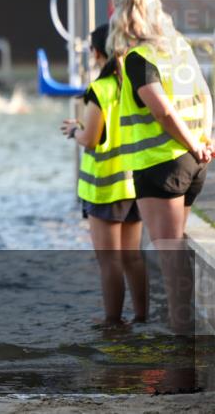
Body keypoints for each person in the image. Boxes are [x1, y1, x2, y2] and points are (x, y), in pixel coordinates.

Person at [109, 0, 213, 332]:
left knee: (170, 257)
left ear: (124, 16)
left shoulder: (138, 57)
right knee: (176, 247)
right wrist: (204, 141)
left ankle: (181, 344)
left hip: (160, 165)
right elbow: (205, 94)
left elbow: (163, 111)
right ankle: (184, 334)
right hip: (193, 163)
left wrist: (194, 144)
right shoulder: (178, 47)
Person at [60, 24, 147, 325]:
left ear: (97, 53)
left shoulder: (101, 89)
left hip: (106, 188)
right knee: (133, 258)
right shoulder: (135, 84)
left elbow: (91, 139)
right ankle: (142, 318)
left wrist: (75, 130)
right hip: (134, 183)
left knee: (109, 261)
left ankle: (112, 324)